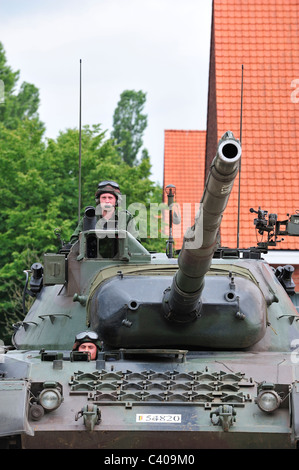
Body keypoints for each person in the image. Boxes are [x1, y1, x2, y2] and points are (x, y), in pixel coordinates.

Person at [70, 180, 139, 243]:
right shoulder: (90, 217)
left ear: (116, 201)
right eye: (103, 197)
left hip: (121, 256)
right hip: (92, 256)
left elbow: (136, 242)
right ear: (98, 200)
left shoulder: (125, 217)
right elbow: (74, 240)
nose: (107, 201)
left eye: (110, 198)